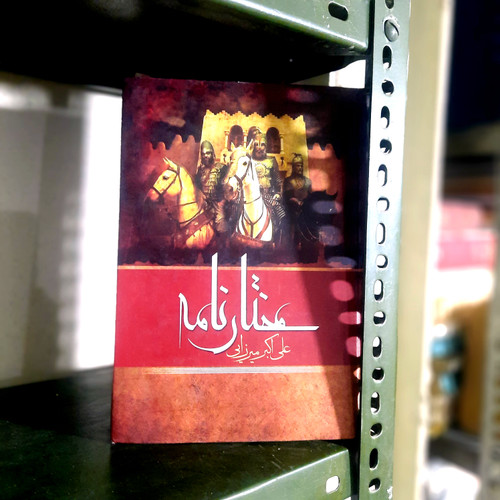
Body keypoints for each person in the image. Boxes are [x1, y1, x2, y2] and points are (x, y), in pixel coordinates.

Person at [249, 129, 286, 240]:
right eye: (256, 144)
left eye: (262, 145)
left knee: (280, 214)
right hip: (250, 197)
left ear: (266, 147)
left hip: (268, 196)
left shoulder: (271, 161)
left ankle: (275, 240)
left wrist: (278, 194)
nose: (259, 147)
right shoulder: (249, 160)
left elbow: (278, 181)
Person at [194, 140, 228, 234]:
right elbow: (197, 187)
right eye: (203, 154)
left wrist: (221, 201)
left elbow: (226, 188)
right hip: (203, 203)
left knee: (221, 226)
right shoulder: (200, 171)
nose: (205, 156)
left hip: (217, 204)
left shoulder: (222, 168)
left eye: (208, 153)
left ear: (213, 154)